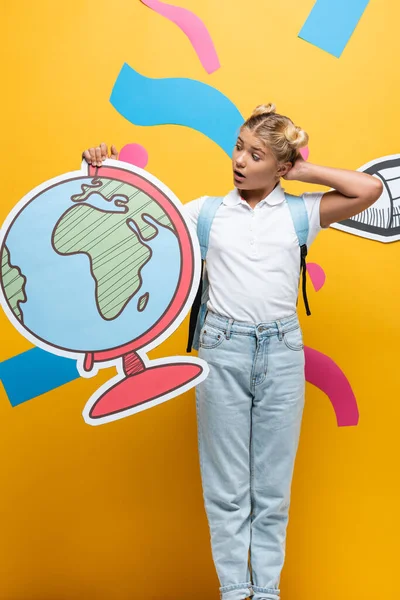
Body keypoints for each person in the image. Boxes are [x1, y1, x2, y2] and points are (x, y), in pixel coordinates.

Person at [83, 104, 382, 600]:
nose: (240, 160)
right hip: (221, 350)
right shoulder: (204, 213)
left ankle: (264, 593)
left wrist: (303, 170)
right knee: (225, 490)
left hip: (283, 353)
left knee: (271, 492)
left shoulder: (301, 212)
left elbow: (369, 190)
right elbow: (136, 220)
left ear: (280, 166)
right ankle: (233, 591)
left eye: (256, 153)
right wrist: (101, 169)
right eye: (239, 147)